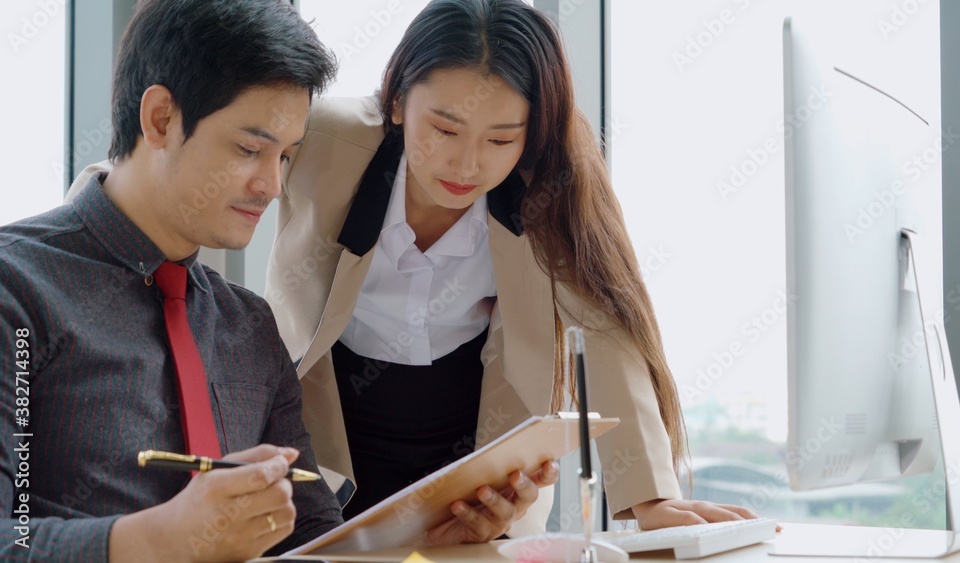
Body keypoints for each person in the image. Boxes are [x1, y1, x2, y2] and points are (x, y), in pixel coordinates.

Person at [3, 1, 551, 561]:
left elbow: (314, 543)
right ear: (161, 118)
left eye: (287, 156)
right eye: (249, 149)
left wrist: (427, 540)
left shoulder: (249, 328)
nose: (271, 185)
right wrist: (160, 540)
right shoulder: (17, 291)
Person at [265, 0, 759, 531]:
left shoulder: (550, 182)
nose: (467, 164)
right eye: (445, 129)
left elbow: (604, 326)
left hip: (473, 449)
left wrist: (650, 499)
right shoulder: (321, 138)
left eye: (501, 139)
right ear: (399, 100)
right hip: (331, 427)